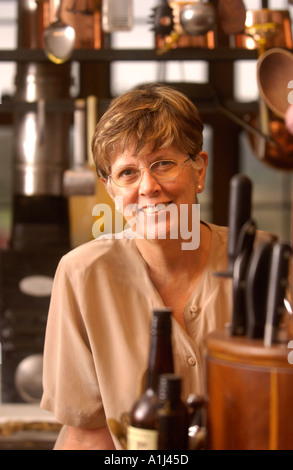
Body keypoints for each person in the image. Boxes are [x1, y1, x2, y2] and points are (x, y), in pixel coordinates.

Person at [40, 83, 237, 449]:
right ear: (110, 189)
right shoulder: (81, 275)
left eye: (163, 163)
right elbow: (88, 432)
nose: (148, 187)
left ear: (199, 169)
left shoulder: (264, 264)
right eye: (128, 173)